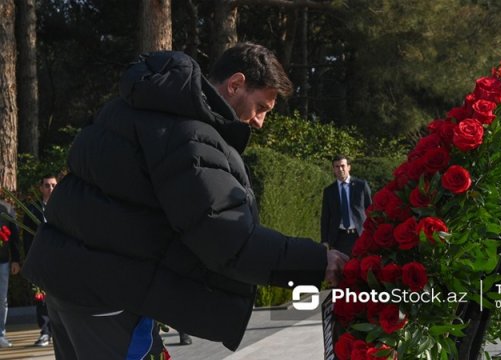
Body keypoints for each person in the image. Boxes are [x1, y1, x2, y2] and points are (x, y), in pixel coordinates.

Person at [22, 42, 347, 360]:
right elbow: (228, 240)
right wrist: (318, 261)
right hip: (109, 299)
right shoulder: (190, 137)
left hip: (68, 287)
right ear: (236, 84)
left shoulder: (130, 108)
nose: (260, 122)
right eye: (261, 107)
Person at [23, 175, 57, 347]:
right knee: (42, 298)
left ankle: (59, 332)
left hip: (61, 261)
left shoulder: (65, 208)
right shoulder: (32, 210)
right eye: (47, 185)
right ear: (41, 188)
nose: (50, 189)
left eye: (53, 185)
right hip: (40, 260)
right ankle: (45, 332)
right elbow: (27, 239)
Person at [321, 155, 372, 255]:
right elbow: (325, 217)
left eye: (342, 166)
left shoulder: (361, 186)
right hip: (338, 238)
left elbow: (370, 210)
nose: (340, 169)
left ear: (349, 167)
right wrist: (324, 241)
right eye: (337, 166)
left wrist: (372, 234)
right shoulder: (329, 191)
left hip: (359, 235)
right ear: (333, 169)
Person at [0, 199, 21, 348]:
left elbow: (14, 236)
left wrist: (16, 260)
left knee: (1, 299)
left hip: (3, 261)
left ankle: (0, 333)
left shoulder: (7, 208)